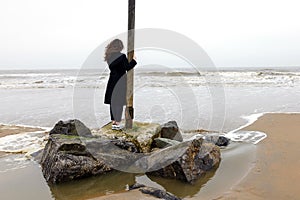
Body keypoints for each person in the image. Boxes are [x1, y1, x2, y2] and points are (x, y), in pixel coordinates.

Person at [104, 39, 137, 130]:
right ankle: (117, 123)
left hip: (112, 80)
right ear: (120, 47)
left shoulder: (109, 56)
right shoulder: (122, 56)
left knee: (113, 102)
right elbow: (127, 67)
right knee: (119, 101)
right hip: (121, 81)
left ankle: (114, 122)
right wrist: (134, 60)